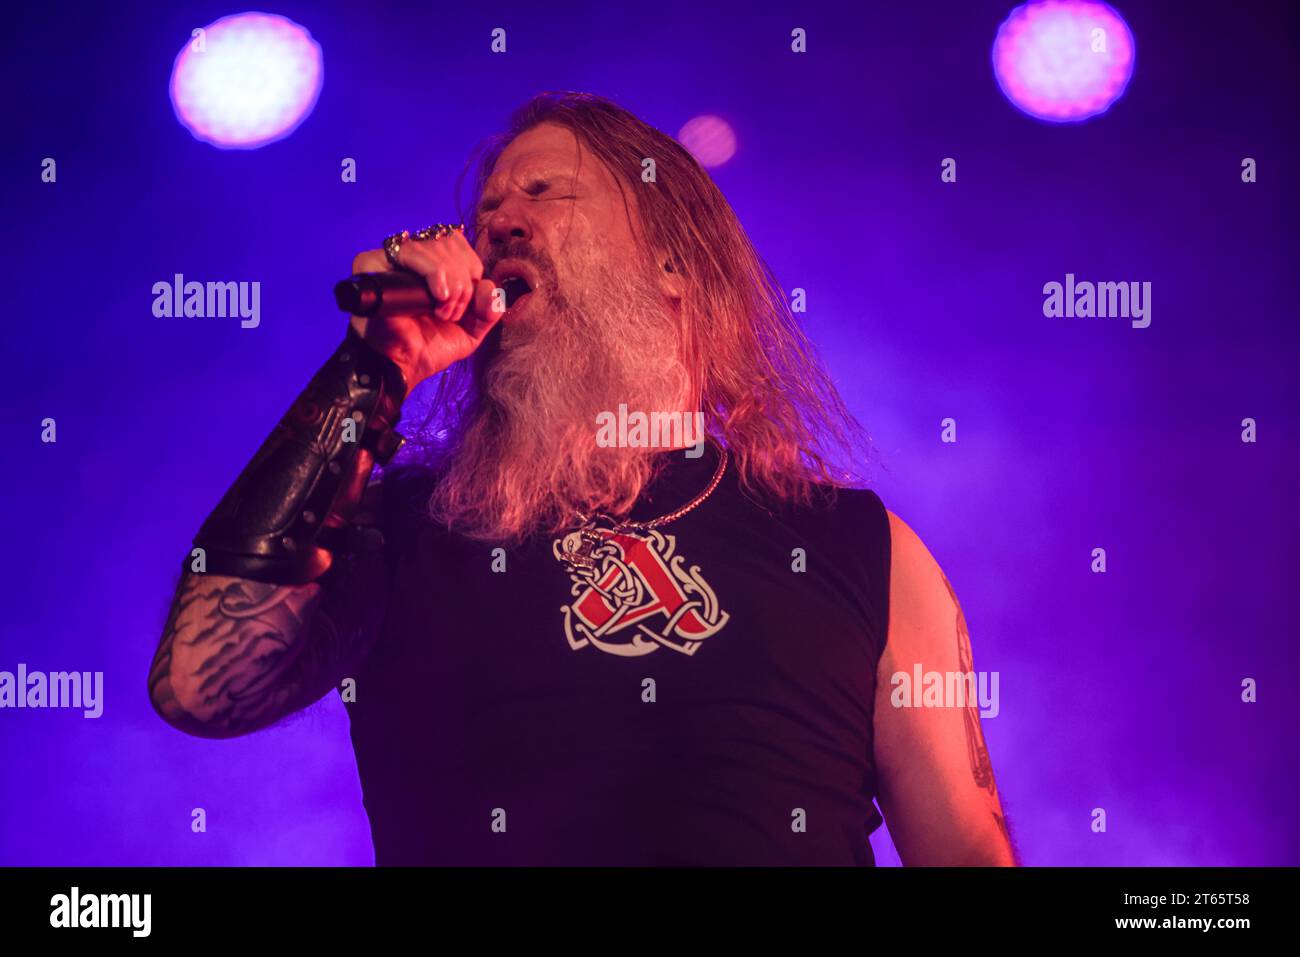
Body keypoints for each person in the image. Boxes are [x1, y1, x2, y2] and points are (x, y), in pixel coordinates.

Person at [147, 91, 1016, 866]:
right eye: (488, 209)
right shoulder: (401, 524)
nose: (500, 225)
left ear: (675, 265)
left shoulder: (860, 546)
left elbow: (967, 850)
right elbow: (199, 689)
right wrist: (374, 368)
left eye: (544, 193)